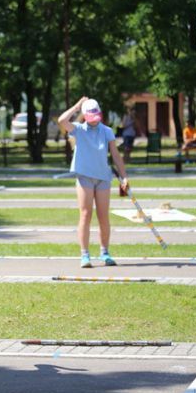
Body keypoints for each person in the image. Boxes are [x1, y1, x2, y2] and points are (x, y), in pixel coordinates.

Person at [59, 97, 129, 269]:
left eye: (96, 116)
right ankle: (85, 255)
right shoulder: (79, 129)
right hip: (84, 177)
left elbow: (115, 155)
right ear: (84, 115)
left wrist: (124, 176)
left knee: (103, 216)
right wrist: (77, 105)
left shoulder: (106, 131)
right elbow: (62, 120)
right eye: (90, 116)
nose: (94, 120)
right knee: (85, 214)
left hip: (103, 178)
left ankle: (105, 253)